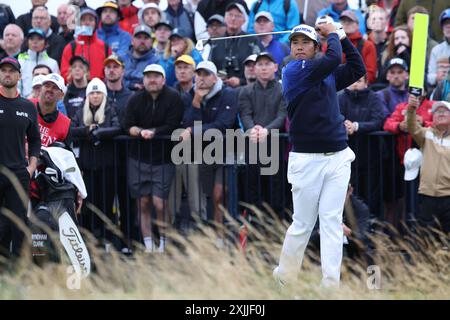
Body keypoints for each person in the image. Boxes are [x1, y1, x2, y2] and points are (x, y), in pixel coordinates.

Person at [273, 20, 366, 287]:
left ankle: (330, 284)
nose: (299, 48)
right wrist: (334, 34)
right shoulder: (294, 70)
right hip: (306, 160)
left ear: (315, 47)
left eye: (306, 43)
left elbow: (357, 67)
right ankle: (284, 278)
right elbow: (335, 56)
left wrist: (344, 36)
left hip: (337, 157)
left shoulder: (326, 73)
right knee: (302, 223)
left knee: (331, 222)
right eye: (295, 43)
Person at [124, 64, 184, 253]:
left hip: (164, 158)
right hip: (138, 157)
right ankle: (149, 244)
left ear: (164, 79)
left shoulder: (174, 97)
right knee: (142, 202)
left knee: (160, 203)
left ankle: (164, 242)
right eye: (148, 76)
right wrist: (140, 132)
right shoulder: (135, 99)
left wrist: (154, 132)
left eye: (156, 76)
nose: (152, 80)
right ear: (143, 80)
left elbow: (174, 124)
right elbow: (128, 125)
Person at [180, 60, 238, 248]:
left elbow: (224, 124)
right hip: (203, 154)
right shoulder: (191, 95)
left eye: (206, 75)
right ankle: (213, 238)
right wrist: (196, 103)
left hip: (226, 153)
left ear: (215, 77)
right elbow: (186, 123)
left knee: (219, 195)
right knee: (208, 198)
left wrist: (193, 131)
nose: (201, 79)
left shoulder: (228, 94)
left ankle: (222, 238)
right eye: (199, 75)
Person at [71, 78, 122, 249]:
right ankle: (91, 242)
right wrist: (87, 131)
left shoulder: (110, 108)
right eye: (91, 93)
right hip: (87, 167)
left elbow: (118, 128)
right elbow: (71, 129)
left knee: (106, 205)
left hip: (107, 166)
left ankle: (107, 240)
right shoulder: (80, 111)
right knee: (89, 205)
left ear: (104, 94)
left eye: (98, 92)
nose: (94, 96)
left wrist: (99, 133)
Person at [0, 57, 41, 258]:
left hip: (19, 173)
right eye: (4, 70)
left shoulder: (28, 106)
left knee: (19, 225)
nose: (7, 74)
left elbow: (35, 141)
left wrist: (30, 168)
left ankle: (19, 274)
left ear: (18, 75)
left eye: (11, 70)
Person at [238, 52, 287, 216]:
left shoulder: (283, 89)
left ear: (275, 67)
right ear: (255, 68)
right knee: (253, 189)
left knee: (276, 190)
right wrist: (252, 130)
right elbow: (245, 114)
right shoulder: (246, 90)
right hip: (253, 146)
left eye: (267, 64)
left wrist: (267, 130)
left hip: (276, 146)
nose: (263, 67)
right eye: (260, 64)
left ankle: (275, 229)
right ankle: (255, 228)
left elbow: (282, 115)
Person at [338, 75, 385, 216]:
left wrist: (357, 126)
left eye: (358, 81)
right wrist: (344, 125)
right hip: (347, 155)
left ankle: (371, 227)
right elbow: (335, 117)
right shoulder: (340, 97)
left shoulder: (374, 98)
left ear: (366, 83)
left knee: (371, 193)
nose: (354, 84)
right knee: (350, 192)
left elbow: (378, 120)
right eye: (351, 81)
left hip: (371, 154)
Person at [103, 54, 136, 252]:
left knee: (127, 202)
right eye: (108, 67)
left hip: (126, 157)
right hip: (105, 158)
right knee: (105, 201)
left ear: (123, 71)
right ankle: (107, 241)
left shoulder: (130, 96)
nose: (112, 70)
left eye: (116, 67)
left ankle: (127, 242)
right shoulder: (98, 93)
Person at [407, 99, 450, 235]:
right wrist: (411, 109)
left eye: (445, 111)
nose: (440, 113)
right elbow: (412, 126)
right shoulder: (427, 134)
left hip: (448, 196)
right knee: (427, 239)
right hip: (428, 195)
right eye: (437, 111)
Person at [209, 3, 264, 88]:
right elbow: (209, 67)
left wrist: (241, 81)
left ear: (244, 20)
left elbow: (262, 68)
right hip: (220, 90)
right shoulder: (216, 42)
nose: (233, 18)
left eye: (238, 16)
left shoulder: (252, 41)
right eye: (230, 15)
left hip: (247, 89)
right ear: (225, 18)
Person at [60, 7, 112, 82]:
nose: (87, 23)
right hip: (77, 89)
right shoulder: (71, 47)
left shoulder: (105, 47)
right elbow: (64, 73)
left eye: (90, 19)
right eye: (83, 20)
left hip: (98, 91)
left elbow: (109, 70)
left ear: (96, 24)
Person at [18, 28, 60, 98]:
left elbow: (57, 86)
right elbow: (17, 85)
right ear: (27, 42)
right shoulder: (20, 62)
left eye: (39, 39)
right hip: (25, 101)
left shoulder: (53, 63)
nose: (35, 42)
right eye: (32, 39)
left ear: (45, 43)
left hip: (47, 100)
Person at [339, 10, 377, 84]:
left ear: (357, 25)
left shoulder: (368, 45)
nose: (346, 23)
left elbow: (371, 74)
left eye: (350, 21)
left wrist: (354, 83)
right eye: (343, 21)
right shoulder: (333, 44)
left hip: (360, 87)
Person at [122, 25, 160, 91]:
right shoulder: (122, 58)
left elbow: (151, 80)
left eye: (146, 38)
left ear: (152, 42)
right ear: (132, 40)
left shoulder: (156, 61)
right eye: (139, 37)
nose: (142, 41)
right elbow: (114, 80)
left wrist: (126, 73)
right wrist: (130, 84)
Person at [427, 9, 450, 89]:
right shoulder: (436, 50)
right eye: (446, 23)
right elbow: (430, 76)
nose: (448, 26)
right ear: (442, 28)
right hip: (440, 90)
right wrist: (437, 77)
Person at [64, 56, 89, 120]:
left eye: (81, 67)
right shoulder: (66, 91)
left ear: (86, 71)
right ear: (71, 71)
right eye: (74, 67)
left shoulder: (91, 90)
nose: (77, 69)